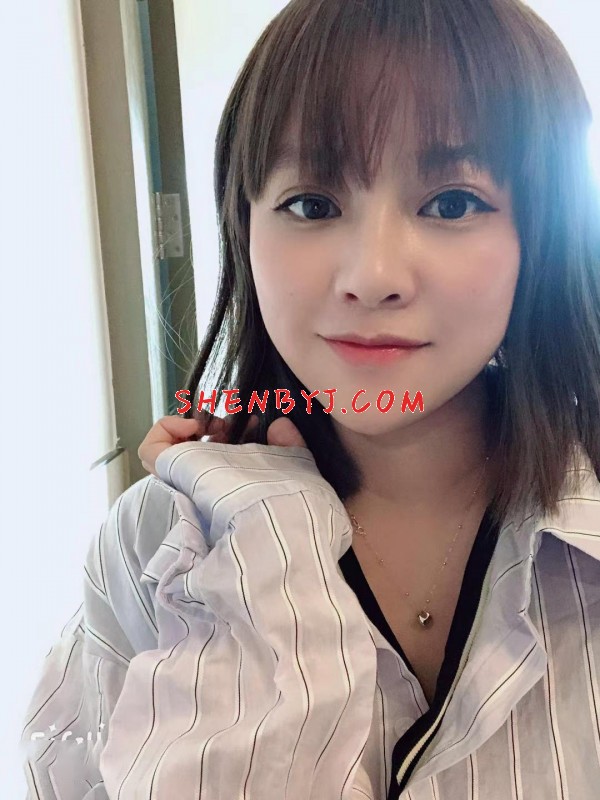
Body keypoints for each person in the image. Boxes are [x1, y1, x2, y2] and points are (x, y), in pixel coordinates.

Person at [20, 0, 600, 798]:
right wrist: (269, 546)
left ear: (544, 235)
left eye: (453, 203)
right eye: (312, 205)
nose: (373, 277)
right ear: (245, 229)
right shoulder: (158, 541)